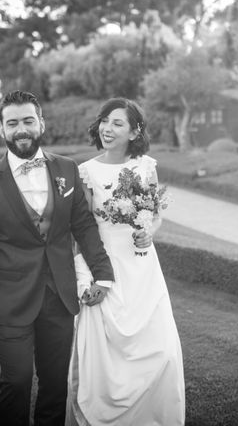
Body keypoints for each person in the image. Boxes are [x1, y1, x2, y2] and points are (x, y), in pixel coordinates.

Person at [0, 90, 114, 426]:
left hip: (59, 296)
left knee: (55, 384)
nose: (21, 129)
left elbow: (84, 226)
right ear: (2, 130)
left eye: (28, 120)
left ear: (41, 123)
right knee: (16, 383)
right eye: (12, 123)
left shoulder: (66, 169)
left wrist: (103, 274)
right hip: (10, 300)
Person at [66, 98, 185, 425]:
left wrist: (148, 232)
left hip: (142, 266)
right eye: (105, 121)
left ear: (135, 131)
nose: (107, 128)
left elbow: (154, 215)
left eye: (117, 123)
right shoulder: (87, 172)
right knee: (107, 356)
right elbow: (84, 228)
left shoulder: (145, 166)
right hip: (105, 264)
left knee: (160, 350)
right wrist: (86, 274)